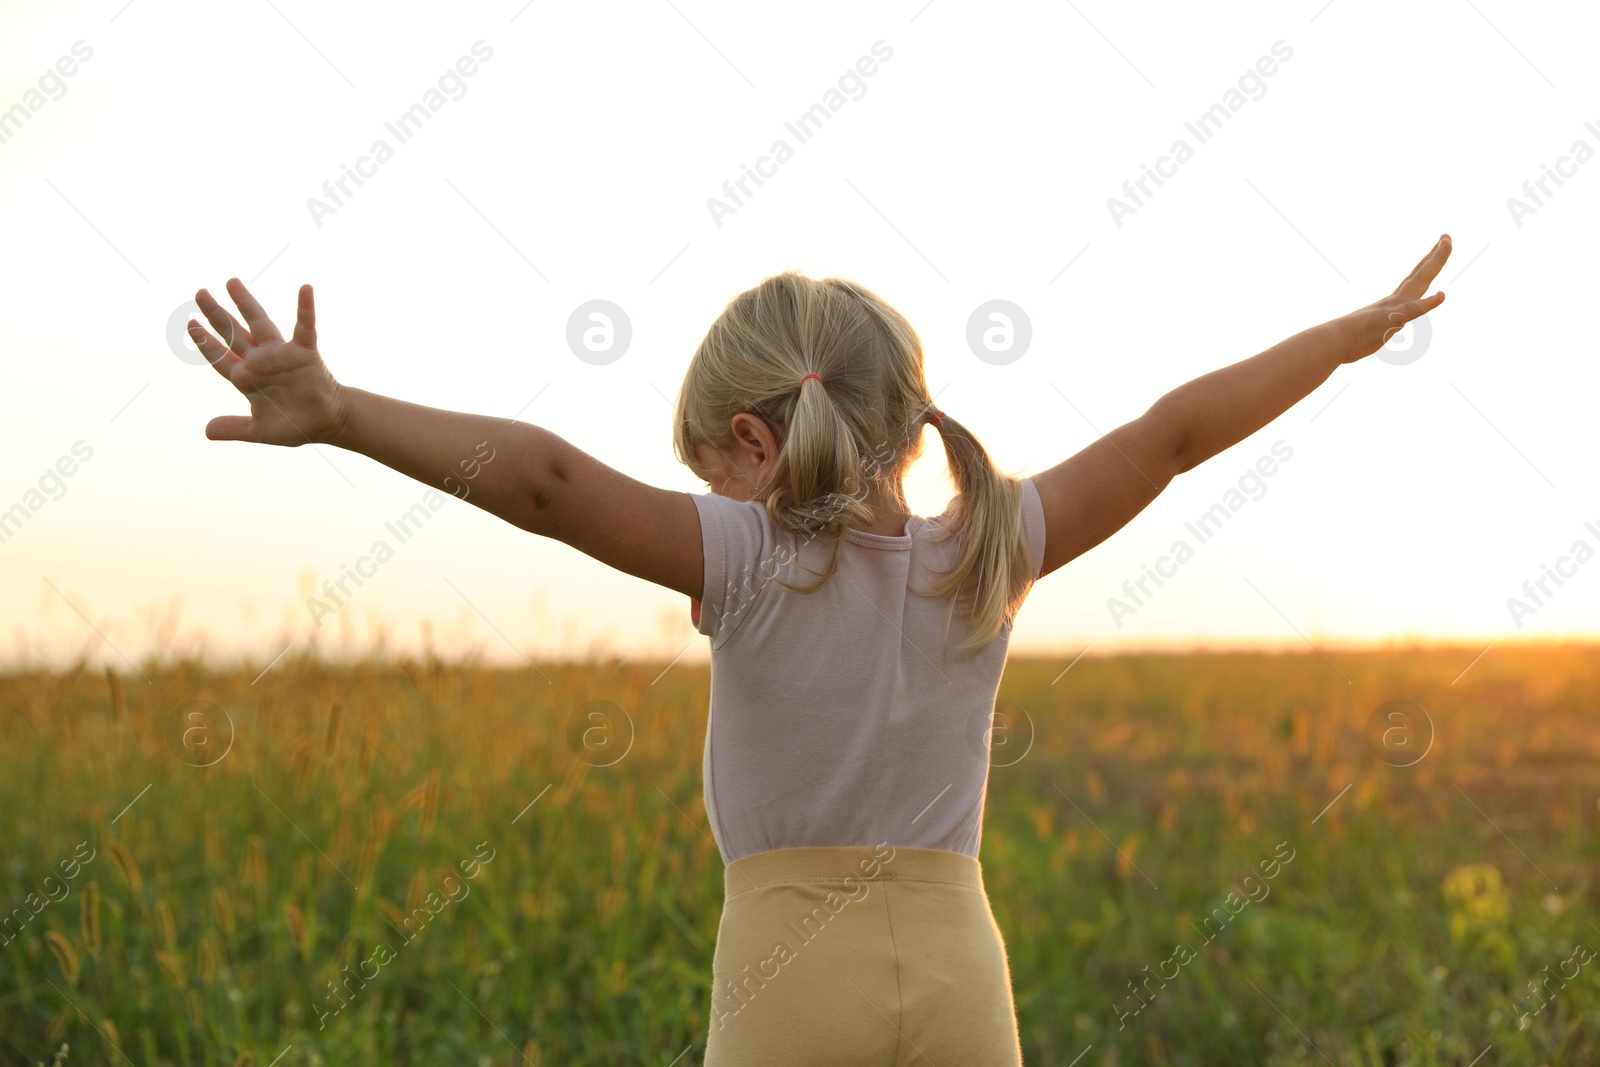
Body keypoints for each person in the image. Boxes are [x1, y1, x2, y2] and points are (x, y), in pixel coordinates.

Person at [187, 234, 1450, 1063]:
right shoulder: (989, 548)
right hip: (962, 965)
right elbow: (1171, 433)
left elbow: (545, 481)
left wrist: (344, 413)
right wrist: (1337, 342)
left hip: (788, 968)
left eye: (709, 474)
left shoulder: (746, 559)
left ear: (751, 441)